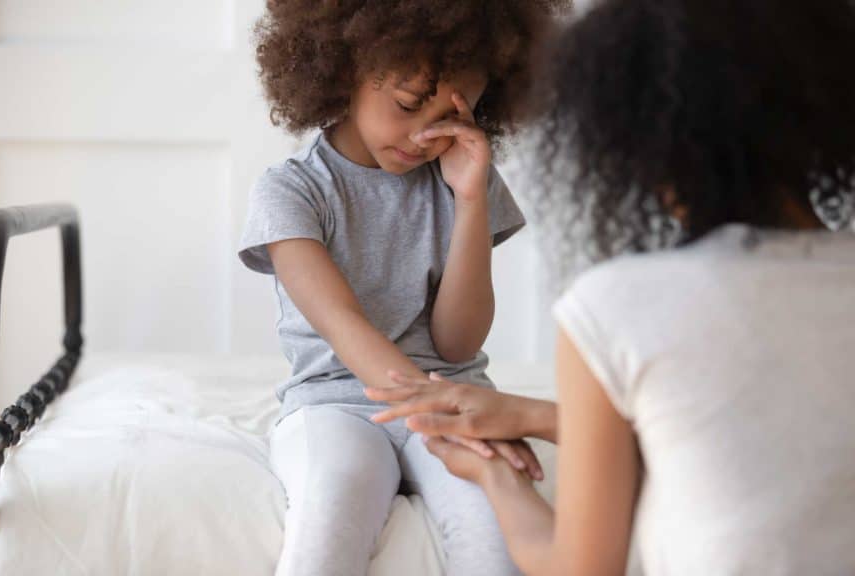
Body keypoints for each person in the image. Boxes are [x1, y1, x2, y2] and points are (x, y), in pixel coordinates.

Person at [369, 0, 855, 574]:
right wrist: (529, 415)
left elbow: (581, 567)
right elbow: (752, 430)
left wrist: (494, 476)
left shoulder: (618, 305)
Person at [237, 2, 563, 575]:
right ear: (344, 69)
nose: (424, 135)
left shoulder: (462, 177)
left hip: (453, 393)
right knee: (325, 527)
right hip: (334, 403)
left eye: (453, 117)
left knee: (497, 543)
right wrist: (434, 405)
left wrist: (469, 198)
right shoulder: (291, 192)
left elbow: (458, 344)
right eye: (410, 104)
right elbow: (342, 324)